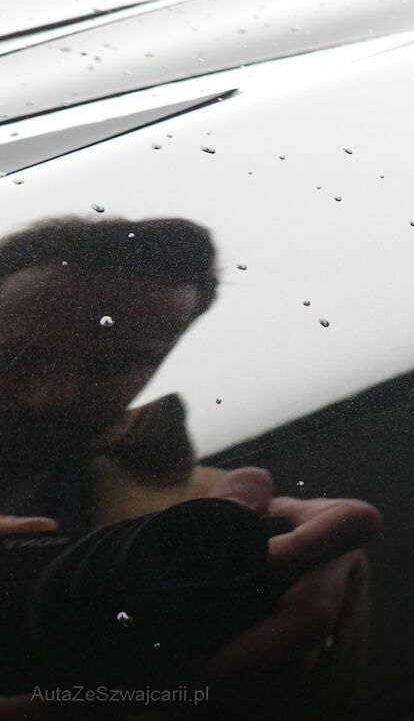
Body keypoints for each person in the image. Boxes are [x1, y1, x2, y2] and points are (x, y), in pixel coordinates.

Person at [0, 216, 381, 719]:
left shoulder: (245, 545)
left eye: (113, 365)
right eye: (20, 357)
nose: (54, 395)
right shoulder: (214, 536)